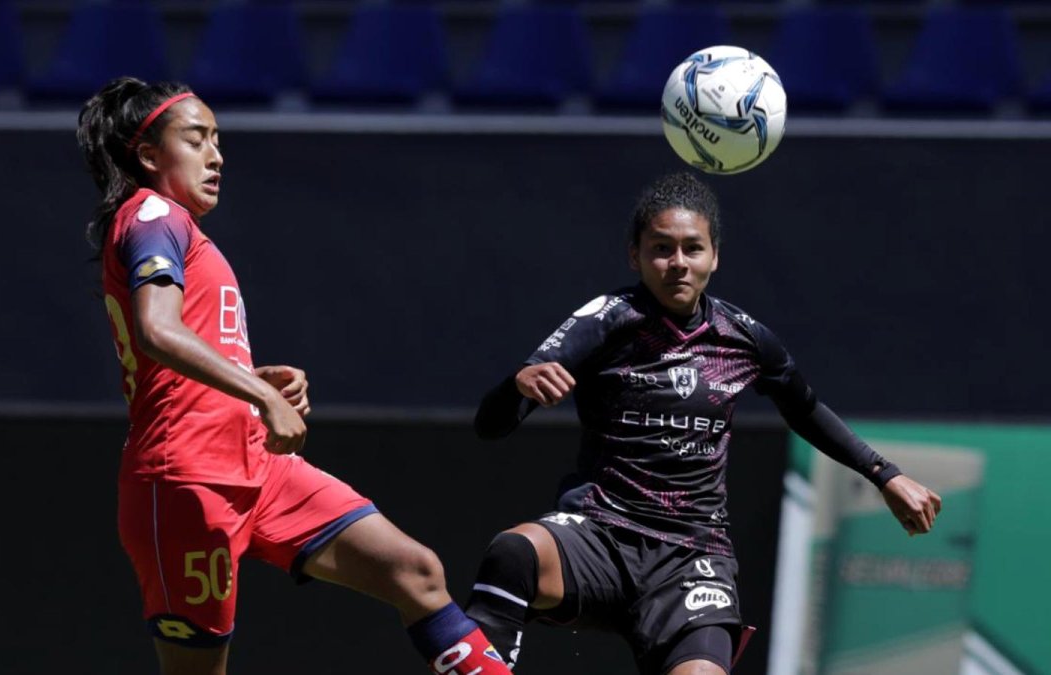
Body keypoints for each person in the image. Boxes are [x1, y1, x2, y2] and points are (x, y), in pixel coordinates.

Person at [77, 76, 510, 675]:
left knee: (415, 572)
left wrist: (251, 379)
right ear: (149, 156)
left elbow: (171, 355)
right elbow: (155, 329)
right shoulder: (153, 213)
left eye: (218, 140)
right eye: (196, 139)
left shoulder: (179, 229)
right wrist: (257, 392)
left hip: (256, 465)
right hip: (185, 482)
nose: (216, 155)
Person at [464, 172, 942, 675]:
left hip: (694, 557)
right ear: (635, 256)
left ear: (715, 256)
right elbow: (491, 425)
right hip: (602, 535)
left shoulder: (744, 338)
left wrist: (884, 474)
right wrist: (516, 386)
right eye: (661, 249)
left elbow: (805, 409)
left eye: (692, 249)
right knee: (514, 552)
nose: (677, 264)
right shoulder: (605, 320)